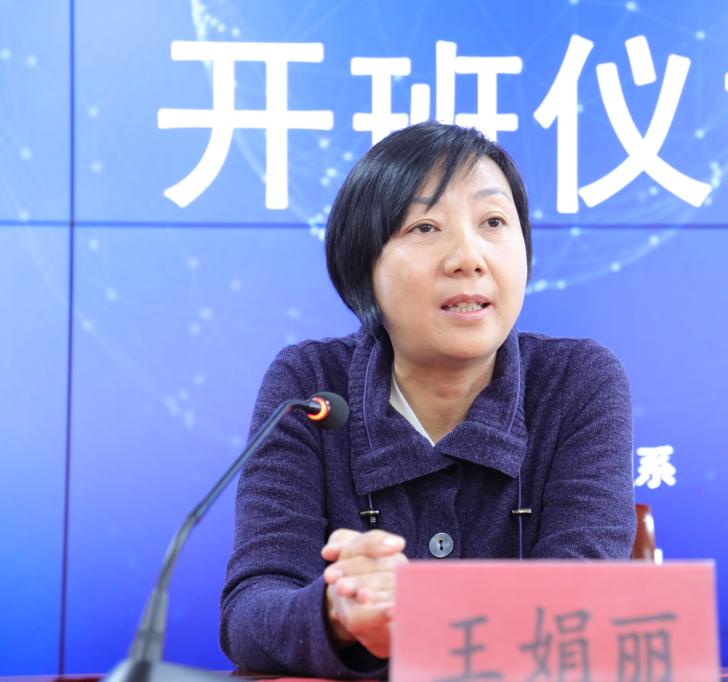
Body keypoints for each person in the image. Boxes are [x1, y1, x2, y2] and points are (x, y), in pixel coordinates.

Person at [219, 122, 635, 679]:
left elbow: (580, 603)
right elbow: (250, 611)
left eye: (493, 222)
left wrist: (421, 614)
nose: (468, 257)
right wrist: (336, 614)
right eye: (425, 227)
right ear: (364, 267)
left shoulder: (577, 382)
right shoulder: (311, 384)